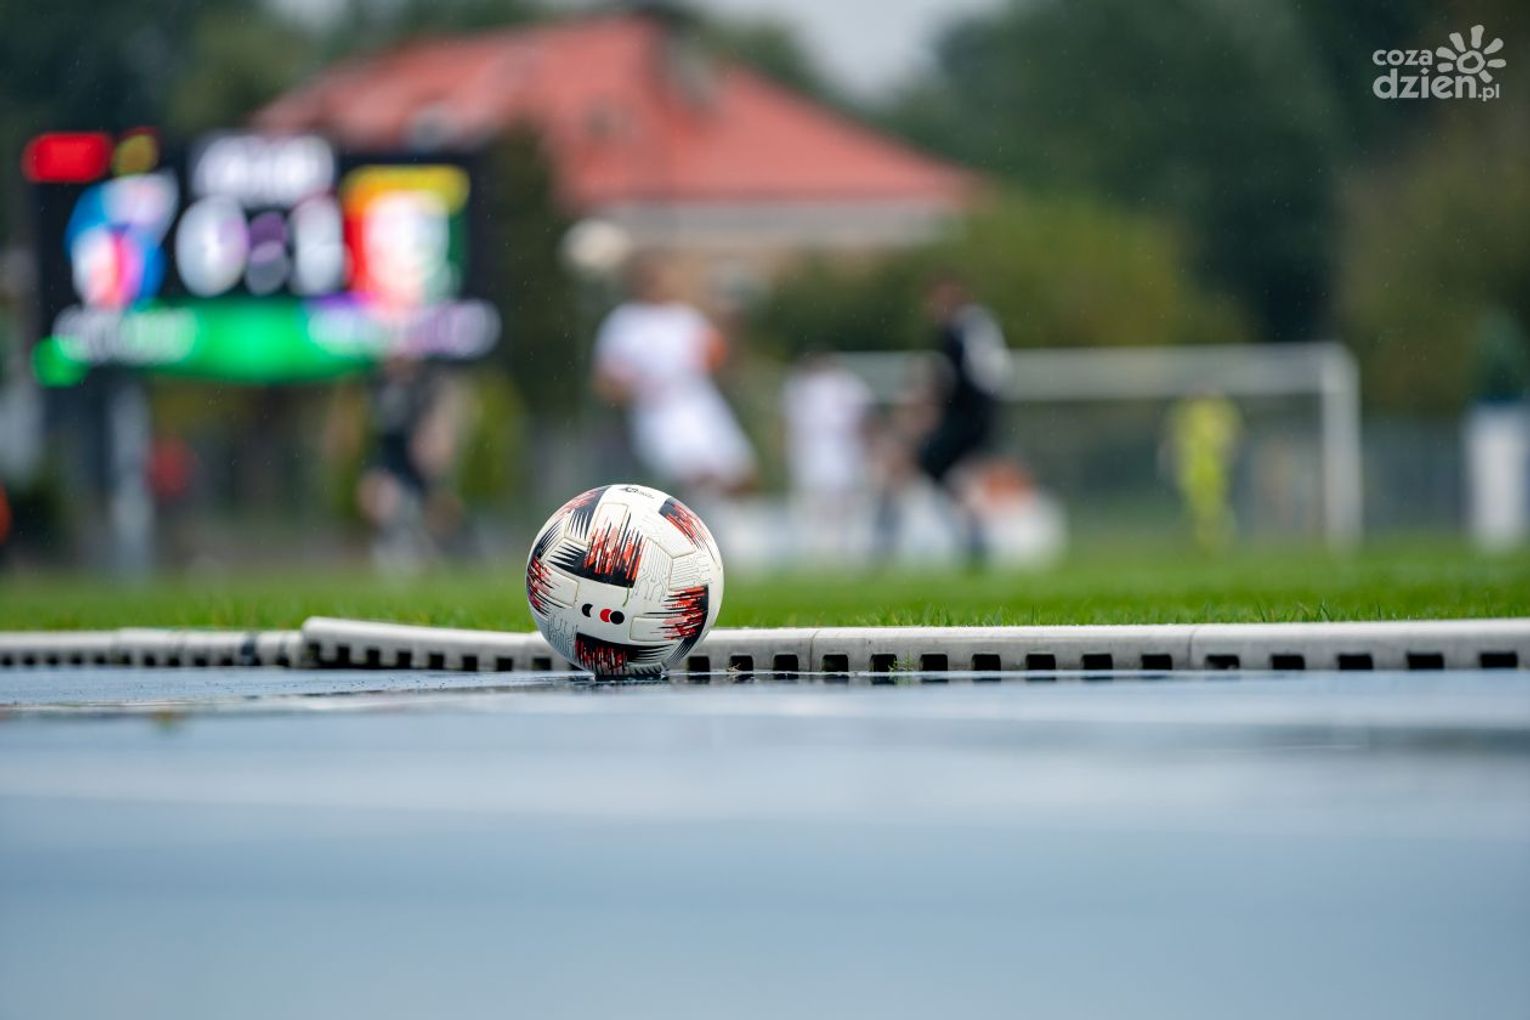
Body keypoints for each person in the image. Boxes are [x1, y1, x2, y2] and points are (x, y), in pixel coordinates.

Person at [592, 255, 756, 495]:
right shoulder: (624, 322)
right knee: (695, 477)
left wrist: (732, 324)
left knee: (740, 476)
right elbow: (605, 383)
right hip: (659, 414)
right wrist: (640, 391)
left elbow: (719, 361)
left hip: (700, 405)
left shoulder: (686, 318)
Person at [879, 272, 1011, 565]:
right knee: (941, 475)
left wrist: (920, 416)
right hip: (979, 417)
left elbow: (951, 382)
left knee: (915, 465)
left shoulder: (957, 331)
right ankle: (972, 536)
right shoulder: (977, 324)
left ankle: (886, 540)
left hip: (969, 419)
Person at [781, 351, 874, 559]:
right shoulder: (840, 386)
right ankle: (832, 554)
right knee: (830, 512)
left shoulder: (810, 388)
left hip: (835, 456)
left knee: (830, 512)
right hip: (825, 457)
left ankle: (829, 554)